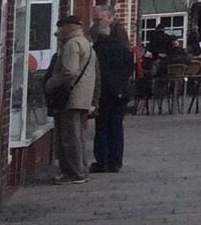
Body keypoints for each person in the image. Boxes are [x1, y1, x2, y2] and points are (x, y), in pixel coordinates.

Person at [44, 16, 97, 183]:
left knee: (69, 138)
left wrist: (51, 83)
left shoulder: (72, 44)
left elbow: (70, 71)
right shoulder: (86, 43)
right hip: (83, 97)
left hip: (71, 97)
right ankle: (81, 170)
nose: (58, 32)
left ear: (67, 27)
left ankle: (74, 173)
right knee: (78, 136)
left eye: (60, 28)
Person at [90, 16, 134, 174]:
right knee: (116, 126)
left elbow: (98, 74)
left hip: (105, 93)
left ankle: (103, 161)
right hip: (122, 92)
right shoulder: (123, 49)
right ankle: (116, 161)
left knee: (102, 126)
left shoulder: (97, 51)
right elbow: (130, 69)